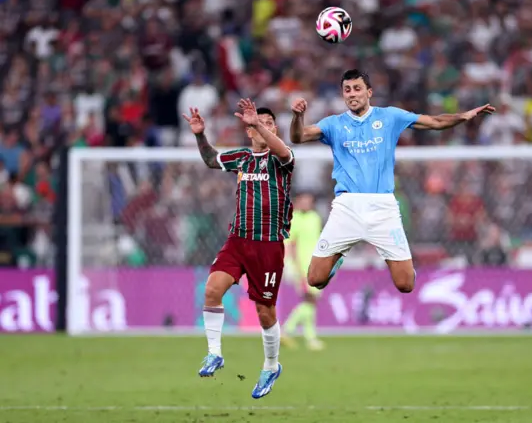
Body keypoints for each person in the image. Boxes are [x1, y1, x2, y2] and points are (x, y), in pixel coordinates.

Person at [289, 69, 494, 293]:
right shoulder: (334, 124)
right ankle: (337, 259)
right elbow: (298, 137)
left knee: (405, 284)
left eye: (357, 89)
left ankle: (401, 264)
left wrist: (464, 116)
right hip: (347, 208)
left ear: (369, 92)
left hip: (383, 208)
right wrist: (298, 117)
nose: (351, 94)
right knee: (315, 279)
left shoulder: (390, 117)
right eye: (347, 90)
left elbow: (434, 121)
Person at [183, 99, 294, 399]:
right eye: (259, 123)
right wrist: (199, 135)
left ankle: (271, 366)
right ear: (248, 131)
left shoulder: (282, 160)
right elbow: (210, 160)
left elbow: (283, 150)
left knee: (264, 311)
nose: (264, 127)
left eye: (270, 123)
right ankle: (214, 353)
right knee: (211, 290)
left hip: (268, 246)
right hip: (237, 241)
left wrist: (258, 122)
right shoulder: (242, 158)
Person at [281, 192, 325, 351]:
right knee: (310, 299)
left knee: (310, 301)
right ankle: (287, 330)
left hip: (316, 263)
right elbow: (291, 245)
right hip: (302, 265)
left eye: (309, 200)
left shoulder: (315, 218)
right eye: (303, 200)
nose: (307, 203)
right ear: (297, 201)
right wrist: (297, 267)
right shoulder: (294, 219)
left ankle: (310, 338)